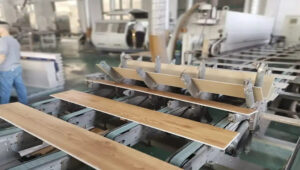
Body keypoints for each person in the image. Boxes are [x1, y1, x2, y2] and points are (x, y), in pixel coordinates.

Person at [0, 21, 27, 104]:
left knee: (5, 92)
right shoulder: (14, 40)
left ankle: (3, 113)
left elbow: (2, 56)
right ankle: (24, 105)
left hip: (7, 70)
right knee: (20, 88)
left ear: (2, 29)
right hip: (17, 68)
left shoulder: (3, 40)